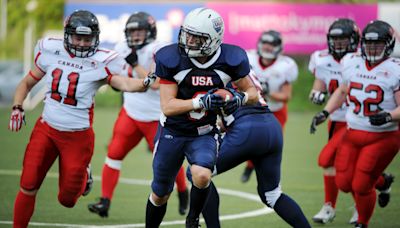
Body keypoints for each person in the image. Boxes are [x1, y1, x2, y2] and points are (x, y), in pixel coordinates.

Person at [8, 10, 156, 228]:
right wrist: (18, 107)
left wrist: (144, 83)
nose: (83, 44)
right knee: (28, 184)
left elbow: (123, 83)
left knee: (67, 200)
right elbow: (26, 83)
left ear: (95, 38)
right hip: (46, 130)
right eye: (78, 38)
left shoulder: (102, 61)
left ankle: (84, 174)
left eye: (88, 39)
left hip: (77, 137)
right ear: (68, 35)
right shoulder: (50, 50)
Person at [144, 7, 259, 228]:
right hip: (172, 132)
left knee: (202, 175)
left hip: (204, 132)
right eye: (187, 33)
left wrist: (238, 98)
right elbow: (167, 107)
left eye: (196, 37)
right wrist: (200, 102)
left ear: (213, 40)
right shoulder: (171, 58)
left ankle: (193, 218)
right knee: (160, 193)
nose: (189, 40)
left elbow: (253, 94)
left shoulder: (231, 58)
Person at [87, 11, 189, 218]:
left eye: (140, 31)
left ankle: (183, 191)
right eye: (132, 32)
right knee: (114, 154)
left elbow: (157, 84)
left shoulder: (159, 49)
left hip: (156, 117)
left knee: (168, 161)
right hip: (131, 112)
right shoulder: (121, 48)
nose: (135, 36)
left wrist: (135, 65)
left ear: (150, 31)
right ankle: (104, 201)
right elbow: (116, 76)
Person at [188, 72, 310, 228]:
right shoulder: (243, 69)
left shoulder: (214, 69)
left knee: (197, 173)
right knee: (272, 195)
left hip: (245, 130)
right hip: (271, 126)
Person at [310, 20, 400, 228]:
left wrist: (389, 116)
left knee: (360, 182)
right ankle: (382, 182)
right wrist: (325, 111)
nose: (372, 48)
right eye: (368, 44)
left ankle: (361, 220)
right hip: (351, 129)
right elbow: (342, 91)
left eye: (378, 44)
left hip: (382, 134)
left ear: (388, 45)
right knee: (344, 181)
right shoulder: (351, 61)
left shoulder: (395, 69)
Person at [308, 18, 360, 224]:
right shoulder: (320, 58)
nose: (338, 44)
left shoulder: (361, 59)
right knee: (332, 164)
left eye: (343, 39)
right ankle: (330, 206)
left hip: (356, 120)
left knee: (344, 165)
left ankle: (360, 204)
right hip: (335, 119)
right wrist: (316, 94)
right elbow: (319, 84)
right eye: (335, 39)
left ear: (354, 40)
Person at [241, 30, 298, 183]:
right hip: (253, 108)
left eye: (272, 45)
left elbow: (286, 96)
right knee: (251, 139)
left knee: (273, 144)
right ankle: (250, 165)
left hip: (276, 110)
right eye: (265, 43)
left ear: (279, 47)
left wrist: (269, 92)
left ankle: (267, 174)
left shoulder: (286, 65)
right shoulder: (249, 58)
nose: (267, 48)